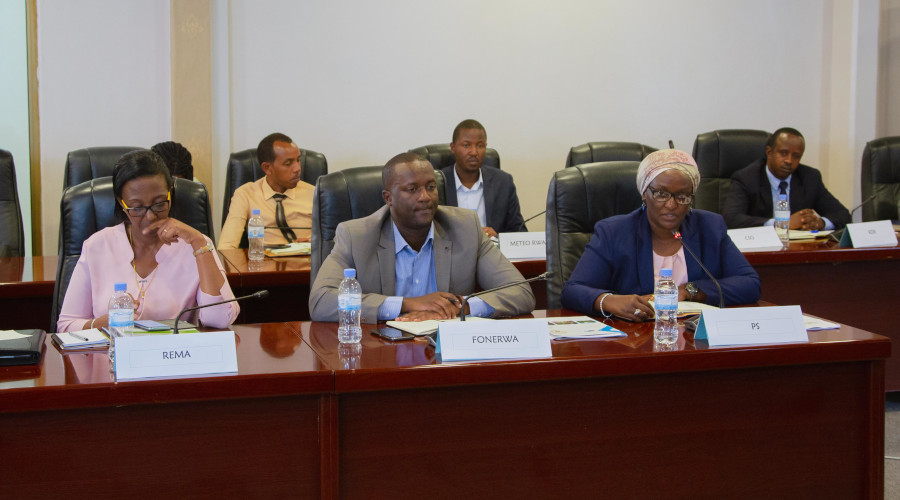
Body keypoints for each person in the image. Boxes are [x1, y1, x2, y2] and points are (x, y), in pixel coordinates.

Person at [309, 152, 535, 323]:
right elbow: (321, 301)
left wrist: (458, 307)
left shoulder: (465, 227)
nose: (425, 197)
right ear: (388, 197)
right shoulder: (356, 236)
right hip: (381, 351)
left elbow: (520, 292)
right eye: (412, 189)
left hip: (446, 350)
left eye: (430, 187)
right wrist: (408, 305)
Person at [561, 149, 761, 320]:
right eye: (661, 194)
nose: (671, 205)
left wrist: (690, 290)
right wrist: (610, 301)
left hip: (693, 337)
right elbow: (573, 290)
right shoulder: (614, 232)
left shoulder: (709, 226)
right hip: (634, 341)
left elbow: (750, 284)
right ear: (644, 193)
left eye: (682, 196)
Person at [57, 150, 239, 332]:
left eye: (160, 203)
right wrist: (103, 323)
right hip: (112, 357)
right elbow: (66, 326)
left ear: (170, 194)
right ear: (122, 203)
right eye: (137, 207)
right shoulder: (97, 246)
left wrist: (198, 241)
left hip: (175, 356)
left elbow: (220, 319)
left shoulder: (197, 245)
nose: (151, 216)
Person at [723, 127, 851, 230]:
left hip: (798, 250)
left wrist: (820, 223)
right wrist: (780, 224)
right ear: (769, 152)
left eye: (796, 156)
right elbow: (732, 219)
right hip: (760, 249)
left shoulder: (810, 178)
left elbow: (843, 214)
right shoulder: (746, 178)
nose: (789, 161)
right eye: (783, 153)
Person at [218, 132, 315, 249]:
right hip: (264, 262)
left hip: (306, 263)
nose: (297, 168)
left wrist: (312, 243)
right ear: (267, 168)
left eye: (298, 160)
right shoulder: (245, 194)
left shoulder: (315, 193)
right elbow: (227, 246)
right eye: (288, 163)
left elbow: (335, 240)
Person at [440, 119, 527, 236]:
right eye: (466, 145)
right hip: (452, 253)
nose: (474, 152)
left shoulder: (503, 182)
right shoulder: (438, 183)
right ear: (453, 147)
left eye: (480, 145)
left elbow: (519, 232)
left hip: (491, 251)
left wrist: (498, 238)